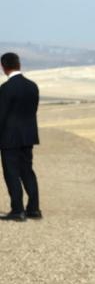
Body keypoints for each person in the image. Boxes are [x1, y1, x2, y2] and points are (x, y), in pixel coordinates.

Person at [0, 52, 40, 222]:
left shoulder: (6, 89)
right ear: (19, 65)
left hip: (9, 137)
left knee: (11, 173)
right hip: (28, 136)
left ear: (4, 67)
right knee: (27, 171)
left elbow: (1, 116)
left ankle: (18, 210)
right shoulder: (33, 86)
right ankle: (33, 209)